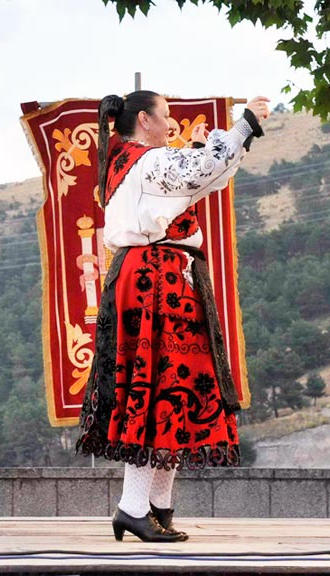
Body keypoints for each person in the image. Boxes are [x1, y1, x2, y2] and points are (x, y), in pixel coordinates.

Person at [76, 90, 268, 542]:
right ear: (144, 120)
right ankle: (133, 506)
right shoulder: (148, 161)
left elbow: (201, 177)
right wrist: (245, 124)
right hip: (156, 280)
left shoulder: (131, 161)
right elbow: (202, 172)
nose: (171, 122)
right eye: (165, 116)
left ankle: (155, 506)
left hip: (156, 277)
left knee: (171, 389)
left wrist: (204, 150)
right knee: (159, 387)